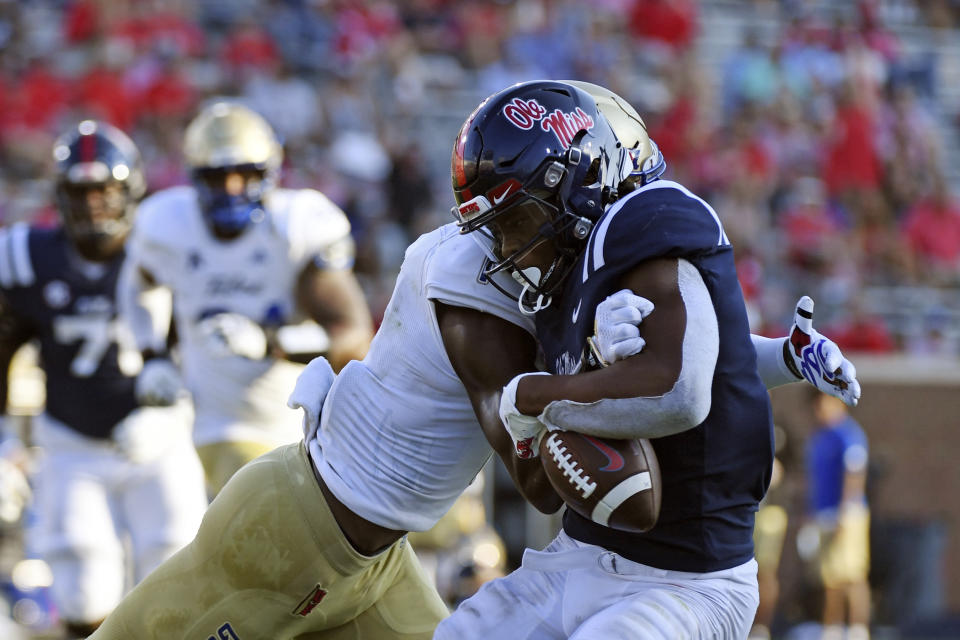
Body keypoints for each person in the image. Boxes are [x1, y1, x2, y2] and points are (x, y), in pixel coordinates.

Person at [89, 86, 855, 640]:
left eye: (517, 215)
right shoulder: (475, 282)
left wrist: (777, 356)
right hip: (300, 533)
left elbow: (689, 361)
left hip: (377, 553)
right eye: (496, 221)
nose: (506, 243)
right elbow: (535, 480)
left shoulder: (576, 263)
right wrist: (581, 372)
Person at [440, 80, 860, 639]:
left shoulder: (645, 221)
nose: (509, 248)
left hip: (686, 580)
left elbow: (678, 392)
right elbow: (712, 358)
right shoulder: (563, 279)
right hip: (581, 554)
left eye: (518, 222)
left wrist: (536, 396)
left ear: (575, 183)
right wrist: (783, 356)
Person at [0, 121, 207, 638]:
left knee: (175, 566)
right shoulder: (28, 256)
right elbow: (3, 347)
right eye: (80, 191)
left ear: (131, 192)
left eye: (105, 190)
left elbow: (204, 350)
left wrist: (171, 413)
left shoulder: (164, 250)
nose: (93, 204)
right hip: (71, 442)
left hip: (159, 441)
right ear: (60, 196)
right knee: (82, 581)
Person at [119, 100, 374, 495]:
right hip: (205, 425)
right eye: (218, 176)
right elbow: (138, 285)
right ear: (194, 175)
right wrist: (152, 356)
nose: (232, 188)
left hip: (292, 426)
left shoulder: (297, 224)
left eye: (245, 173)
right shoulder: (166, 224)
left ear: (270, 172)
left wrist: (270, 343)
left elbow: (353, 335)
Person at [806, 390, 871, 640]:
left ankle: (857, 629)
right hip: (823, 514)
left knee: (853, 574)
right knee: (830, 577)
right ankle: (832, 628)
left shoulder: (849, 434)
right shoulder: (819, 437)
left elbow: (854, 474)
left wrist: (847, 511)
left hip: (847, 514)